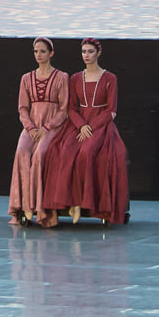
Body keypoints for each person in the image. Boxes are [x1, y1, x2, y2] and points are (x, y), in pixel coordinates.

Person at [49, 38, 129, 226]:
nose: (87, 55)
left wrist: (91, 127)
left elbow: (111, 110)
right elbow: (71, 108)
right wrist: (81, 125)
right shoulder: (76, 78)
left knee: (87, 152)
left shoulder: (110, 78)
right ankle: (72, 203)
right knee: (64, 151)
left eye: (90, 51)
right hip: (79, 125)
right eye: (84, 51)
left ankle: (87, 203)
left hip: (100, 125)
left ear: (98, 53)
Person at [9, 36, 70, 227]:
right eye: (36, 51)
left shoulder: (62, 77)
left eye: (43, 51)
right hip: (32, 126)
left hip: (52, 126)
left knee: (40, 154)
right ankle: (23, 207)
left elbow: (64, 109)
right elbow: (22, 108)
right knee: (22, 152)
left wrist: (46, 128)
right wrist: (31, 127)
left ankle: (42, 209)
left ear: (51, 53)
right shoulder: (26, 78)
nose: (39, 55)